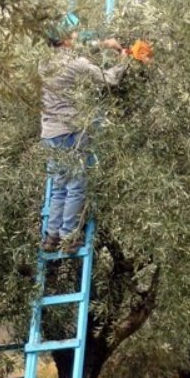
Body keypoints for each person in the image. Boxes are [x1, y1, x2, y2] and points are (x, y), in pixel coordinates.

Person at [39, 20, 128, 254]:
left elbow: (79, 51)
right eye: (73, 33)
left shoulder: (43, 63)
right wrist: (125, 60)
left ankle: (51, 237)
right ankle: (69, 238)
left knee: (58, 185)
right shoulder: (75, 63)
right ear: (66, 38)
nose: (77, 35)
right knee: (76, 185)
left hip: (49, 132)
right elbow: (109, 79)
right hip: (70, 131)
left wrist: (103, 44)